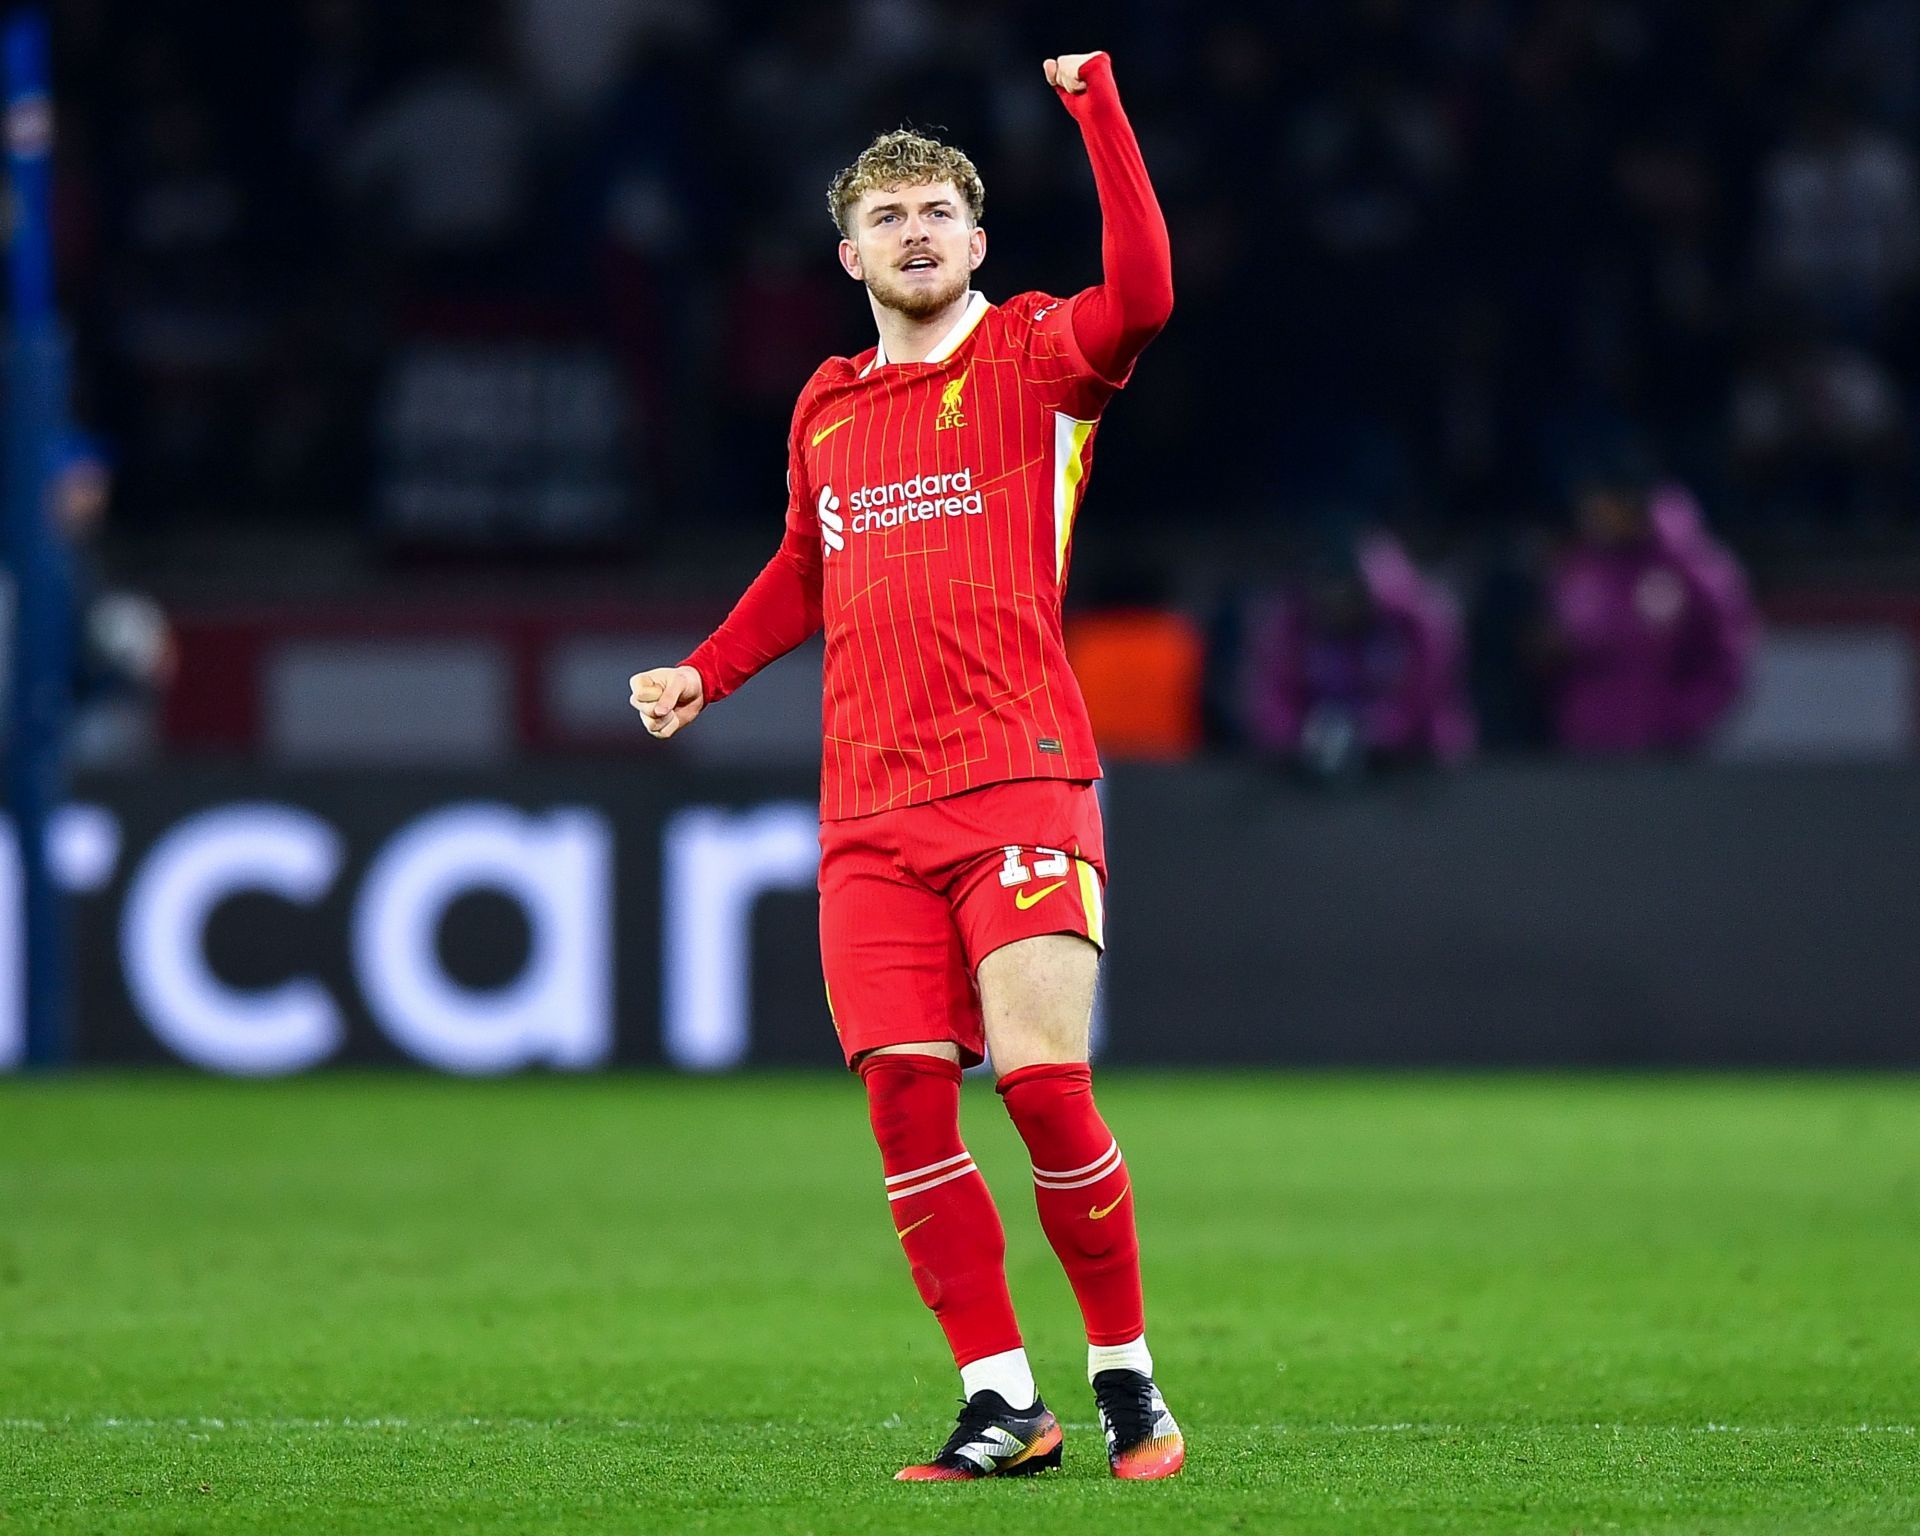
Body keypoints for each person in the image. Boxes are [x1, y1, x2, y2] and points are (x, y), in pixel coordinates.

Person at [628, 51, 1179, 1481]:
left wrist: (1096, 108)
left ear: (980, 240)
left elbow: (1151, 297)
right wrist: (707, 668)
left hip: (1019, 774)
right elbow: (805, 567)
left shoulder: (1042, 358)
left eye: (939, 209)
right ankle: (1004, 1398)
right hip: (866, 807)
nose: (916, 231)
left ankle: (1123, 1371)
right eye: (888, 217)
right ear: (849, 250)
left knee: (1047, 1087)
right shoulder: (825, 404)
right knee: (902, 1097)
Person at [1546, 452, 1758, 755]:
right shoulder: (1581, 567)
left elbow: (1726, 665)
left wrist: (1676, 726)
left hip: (1666, 758)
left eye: (1601, 503)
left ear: (1633, 501)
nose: (1591, 515)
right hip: (1584, 755)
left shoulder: (1697, 569)